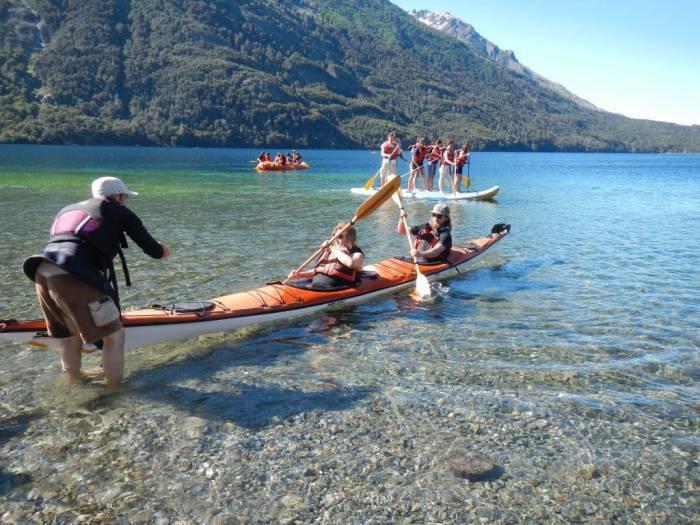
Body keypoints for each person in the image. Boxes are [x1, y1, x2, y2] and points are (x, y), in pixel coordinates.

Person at [22, 177, 170, 388]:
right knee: (115, 337)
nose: (126, 201)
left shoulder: (67, 210)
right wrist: (162, 250)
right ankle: (113, 392)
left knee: (71, 336)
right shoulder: (118, 210)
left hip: (41, 271)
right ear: (117, 196)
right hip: (71, 274)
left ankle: (74, 385)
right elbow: (152, 249)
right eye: (125, 197)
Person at [288, 223, 364, 290]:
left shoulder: (356, 253)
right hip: (316, 289)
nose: (335, 239)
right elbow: (318, 271)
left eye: (340, 236)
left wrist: (331, 248)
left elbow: (351, 263)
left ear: (349, 238)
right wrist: (299, 275)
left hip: (337, 290)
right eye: (334, 236)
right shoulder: (330, 251)